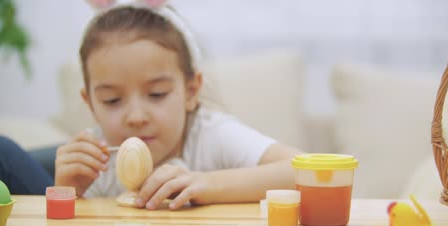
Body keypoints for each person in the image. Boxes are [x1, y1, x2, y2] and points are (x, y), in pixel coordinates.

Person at [31, 1, 302, 210]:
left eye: (157, 94)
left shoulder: (209, 134)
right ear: (90, 104)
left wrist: (207, 183)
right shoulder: (93, 161)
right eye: (112, 100)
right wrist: (68, 193)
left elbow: (303, 171)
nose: (136, 117)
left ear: (191, 91)